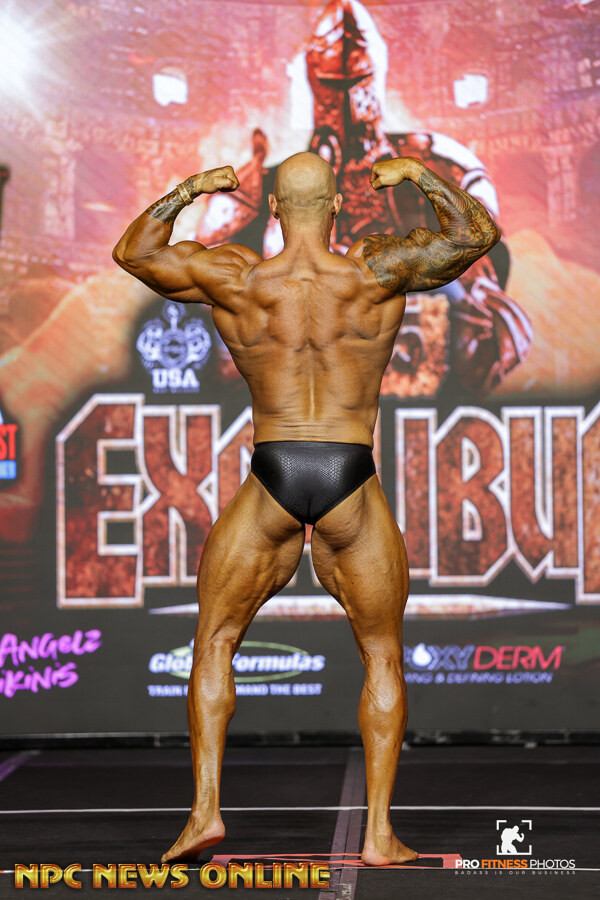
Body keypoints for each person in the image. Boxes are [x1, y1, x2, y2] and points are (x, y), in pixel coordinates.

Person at [113, 151, 500, 866]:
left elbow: (134, 253)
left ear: (276, 208)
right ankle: (378, 835)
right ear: (336, 207)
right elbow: (476, 235)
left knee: (215, 641)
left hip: (274, 470)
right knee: (381, 654)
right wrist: (420, 176)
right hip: (350, 470)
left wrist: (191, 190)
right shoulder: (374, 272)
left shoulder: (239, 278)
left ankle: (204, 814)